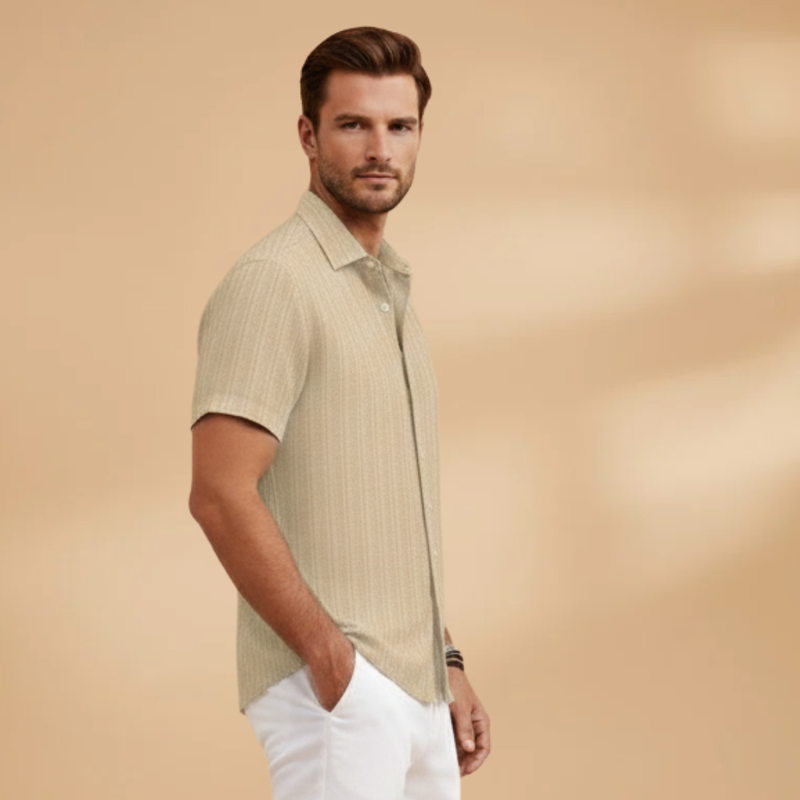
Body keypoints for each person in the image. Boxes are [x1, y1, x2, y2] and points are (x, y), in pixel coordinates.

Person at [188, 26, 490, 800]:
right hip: (339, 692)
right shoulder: (276, 281)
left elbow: (389, 516)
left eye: (400, 126)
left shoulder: (388, 291)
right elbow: (219, 493)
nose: (380, 149)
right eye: (354, 124)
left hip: (416, 689)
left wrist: (445, 662)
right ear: (308, 135)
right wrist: (333, 663)